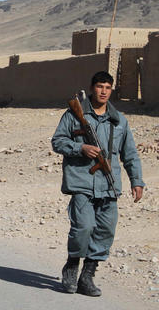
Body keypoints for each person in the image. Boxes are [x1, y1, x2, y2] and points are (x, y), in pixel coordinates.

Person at [52, 71, 144, 297]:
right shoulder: (75, 114)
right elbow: (58, 141)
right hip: (82, 181)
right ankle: (72, 266)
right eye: (100, 86)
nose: (103, 91)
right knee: (83, 228)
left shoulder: (119, 120)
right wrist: (80, 148)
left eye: (108, 87)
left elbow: (129, 153)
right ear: (92, 88)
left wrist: (137, 181)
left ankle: (87, 276)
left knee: (104, 231)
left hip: (109, 185)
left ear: (112, 91)